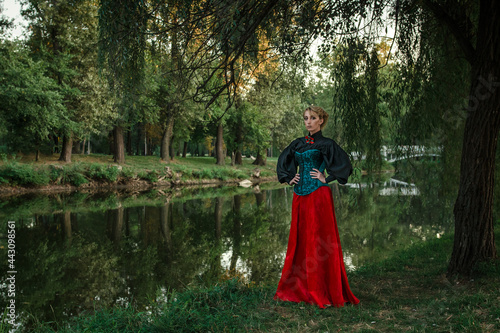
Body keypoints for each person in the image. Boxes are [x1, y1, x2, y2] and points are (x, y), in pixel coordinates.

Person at [274, 105, 359, 308]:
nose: (308, 122)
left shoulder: (327, 144)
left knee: (320, 240)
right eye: (305, 118)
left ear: (321, 120)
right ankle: (300, 288)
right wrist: (289, 177)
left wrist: (326, 177)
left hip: (318, 195)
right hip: (300, 196)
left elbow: (344, 165)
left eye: (312, 118)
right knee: (300, 239)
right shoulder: (298, 143)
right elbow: (283, 160)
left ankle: (321, 288)